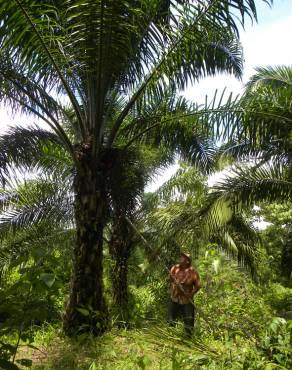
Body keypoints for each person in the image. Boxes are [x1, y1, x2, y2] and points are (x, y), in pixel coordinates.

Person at [168, 252, 201, 336]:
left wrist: (191, 294)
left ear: (187, 261)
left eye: (183, 257)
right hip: (175, 298)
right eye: (180, 256)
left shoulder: (193, 272)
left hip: (186, 300)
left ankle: (188, 339)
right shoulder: (174, 268)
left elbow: (198, 286)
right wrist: (173, 280)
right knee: (171, 320)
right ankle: (169, 336)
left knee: (188, 322)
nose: (180, 258)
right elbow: (169, 280)